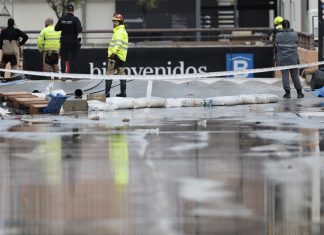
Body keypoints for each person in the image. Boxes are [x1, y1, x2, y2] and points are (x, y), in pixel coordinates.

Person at [275, 19, 304, 98]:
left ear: (282, 26)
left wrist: (276, 59)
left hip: (282, 58)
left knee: (285, 75)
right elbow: (296, 43)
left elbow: (276, 47)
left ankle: (287, 93)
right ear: (289, 25)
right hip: (293, 58)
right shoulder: (294, 34)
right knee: (295, 75)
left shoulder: (278, 35)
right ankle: (299, 93)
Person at [55, 2, 82, 76]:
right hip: (73, 41)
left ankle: (63, 76)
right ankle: (74, 76)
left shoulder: (62, 19)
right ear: (73, 11)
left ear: (67, 10)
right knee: (74, 58)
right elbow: (80, 29)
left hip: (64, 41)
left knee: (63, 58)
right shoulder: (75, 19)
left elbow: (56, 28)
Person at [105, 13, 129, 98]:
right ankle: (123, 93)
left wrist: (113, 53)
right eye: (114, 21)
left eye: (116, 21)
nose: (114, 23)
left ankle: (106, 93)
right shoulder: (123, 31)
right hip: (121, 57)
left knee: (109, 73)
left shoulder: (119, 31)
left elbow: (118, 43)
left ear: (120, 22)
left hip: (115, 56)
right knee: (121, 74)